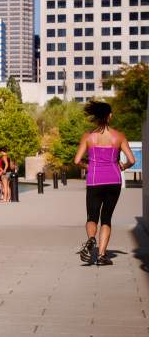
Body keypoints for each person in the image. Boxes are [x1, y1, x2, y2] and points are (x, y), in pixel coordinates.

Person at [74, 100, 135, 266]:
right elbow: (132, 160)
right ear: (109, 116)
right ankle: (101, 256)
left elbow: (77, 160)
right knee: (106, 218)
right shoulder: (119, 136)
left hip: (94, 180)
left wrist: (89, 166)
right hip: (114, 180)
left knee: (92, 216)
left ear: (96, 117)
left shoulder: (88, 137)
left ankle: (91, 240)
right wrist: (123, 166)